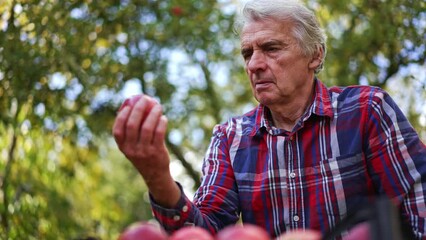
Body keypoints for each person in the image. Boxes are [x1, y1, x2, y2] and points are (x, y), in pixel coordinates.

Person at [112, 0, 426, 239]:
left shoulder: (367, 111)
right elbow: (203, 231)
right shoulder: (230, 137)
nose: (255, 64)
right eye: (247, 53)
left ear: (314, 55)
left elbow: (420, 213)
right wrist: (157, 176)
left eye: (271, 48)